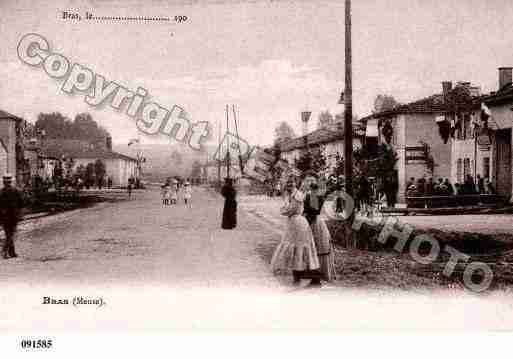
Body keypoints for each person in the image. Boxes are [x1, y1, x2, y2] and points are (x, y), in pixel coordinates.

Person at [271, 177, 320, 286]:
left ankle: (314, 278)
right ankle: (297, 277)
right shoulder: (289, 195)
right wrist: (284, 208)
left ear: (295, 183)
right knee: (295, 249)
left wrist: (284, 209)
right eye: (287, 182)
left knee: (301, 248)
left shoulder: (297, 196)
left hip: (299, 224)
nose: (289, 185)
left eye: (291, 182)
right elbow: (285, 209)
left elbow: (288, 210)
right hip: (293, 224)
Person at [304, 182, 336, 283]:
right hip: (319, 221)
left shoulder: (310, 197)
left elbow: (311, 211)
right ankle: (318, 275)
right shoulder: (319, 197)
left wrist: (306, 220)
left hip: (313, 221)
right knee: (320, 247)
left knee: (315, 247)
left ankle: (315, 277)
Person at [0, 174, 23, 259]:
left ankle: (11, 252)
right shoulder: (16, 191)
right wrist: (20, 214)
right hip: (13, 216)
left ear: (4, 182)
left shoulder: (1, 192)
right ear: (11, 182)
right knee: (11, 235)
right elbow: (21, 203)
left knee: (8, 234)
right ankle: (5, 252)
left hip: (5, 217)